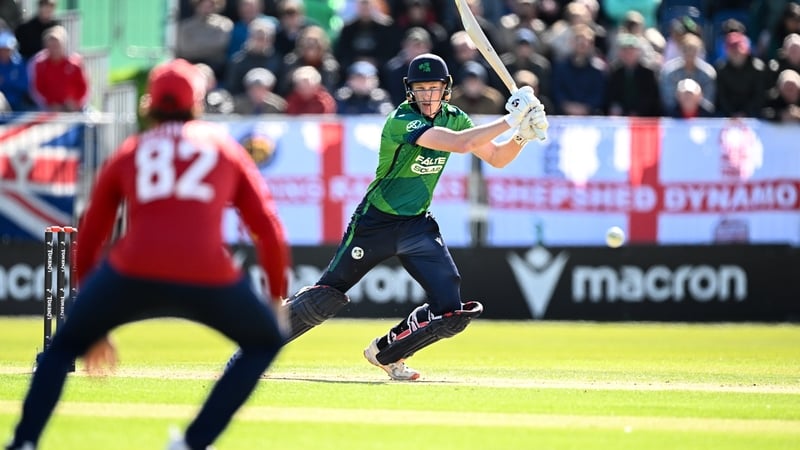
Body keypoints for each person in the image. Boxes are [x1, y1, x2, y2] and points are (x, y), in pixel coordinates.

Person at [3, 58, 291, 450]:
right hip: (206, 270)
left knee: (63, 348)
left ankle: (24, 442)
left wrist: (91, 312)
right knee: (265, 342)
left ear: (148, 104)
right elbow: (268, 228)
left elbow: (90, 233)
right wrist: (275, 296)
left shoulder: (131, 150)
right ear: (198, 102)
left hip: (132, 269)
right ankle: (192, 443)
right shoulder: (224, 148)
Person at [226, 53, 548, 380]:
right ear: (410, 91)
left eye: (433, 88)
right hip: (375, 223)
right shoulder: (402, 120)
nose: (427, 95)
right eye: (420, 89)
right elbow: (461, 145)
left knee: (450, 311)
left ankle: (387, 353)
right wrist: (512, 119)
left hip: (417, 224)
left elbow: (495, 157)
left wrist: (523, 135)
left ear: (446, 89)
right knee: (324, 297)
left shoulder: (456, 117)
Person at [28, 25, 89, 112]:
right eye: (51, 45)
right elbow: (36, 90)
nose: (54, 49)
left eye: (57, 45)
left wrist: (77, 103)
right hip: (48, 110)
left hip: (75, 109)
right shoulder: (39, 64)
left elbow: (85, 88)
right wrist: (49, 104)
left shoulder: (75, 63)